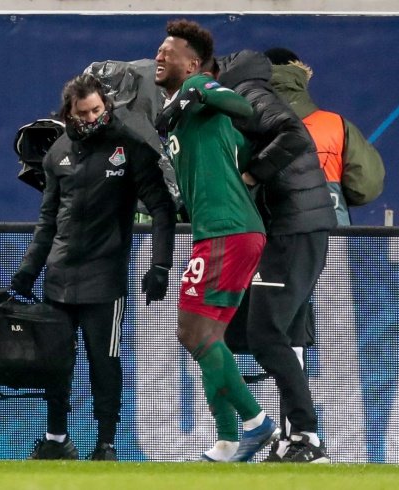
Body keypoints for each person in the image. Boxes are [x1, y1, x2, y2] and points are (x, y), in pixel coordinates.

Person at [10, 73, 176, 461]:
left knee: (104, 362)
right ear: (69, 112)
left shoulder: (131, 147)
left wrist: (161, 265)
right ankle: (56, 439)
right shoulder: (57, 153)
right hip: (59, 278)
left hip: (106, 279)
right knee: (55, 363)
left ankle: (106, 444)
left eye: (96, 110)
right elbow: (48, 220)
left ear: (107, 105)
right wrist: (29, 269)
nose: (91, 118)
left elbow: (162, 208)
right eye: (83, 113)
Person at [153, 19, 281, 463]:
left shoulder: (200, 90)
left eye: (168, 52)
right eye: (159, 50)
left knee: (191, 331)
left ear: (192, 65)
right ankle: (227, 441)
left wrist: (197, 92)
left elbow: (241, 107)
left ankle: (256, 423)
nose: (159, 55)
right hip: (225, 230)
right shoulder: (179, 110)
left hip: (227, 230)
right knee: (209, 338)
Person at [215, 49, 336, 463]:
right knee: (279, 335)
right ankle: (294, 438)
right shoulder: (249, 93)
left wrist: (253, 174)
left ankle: (306, 438)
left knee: (265, 336)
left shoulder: (249, 93)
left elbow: (294, 135)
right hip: (292, 226)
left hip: (291, 228)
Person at [264, 47, 385, 226]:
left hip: (267, 233)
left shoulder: (243, 123)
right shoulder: (336, 125)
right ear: (301, 76)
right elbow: (365, 187)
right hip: (329, 231)